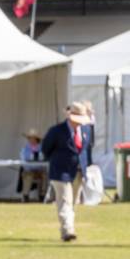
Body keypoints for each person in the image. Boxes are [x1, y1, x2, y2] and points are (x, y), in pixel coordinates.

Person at [41, 102, 92, 242]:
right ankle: (67, 230)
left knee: (73, 202)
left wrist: (87, 168)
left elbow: (86, 151)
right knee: (64, 201)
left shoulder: (86, 130)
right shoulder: (56, 131)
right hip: (60, 171)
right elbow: (46, 148)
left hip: (78, 171)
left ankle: (68, 226)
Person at [18, 129, 46, 202]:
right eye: (30, 138)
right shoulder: (25, 148)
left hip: (39, 170)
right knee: (28, 175)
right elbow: (23, 159)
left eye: (33, 138)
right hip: (29, 169)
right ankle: (25, 195)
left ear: (37, 139)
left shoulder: (42, 148)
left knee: (45, 175)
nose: (31, 140)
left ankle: (42, 195)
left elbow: (44, 159)